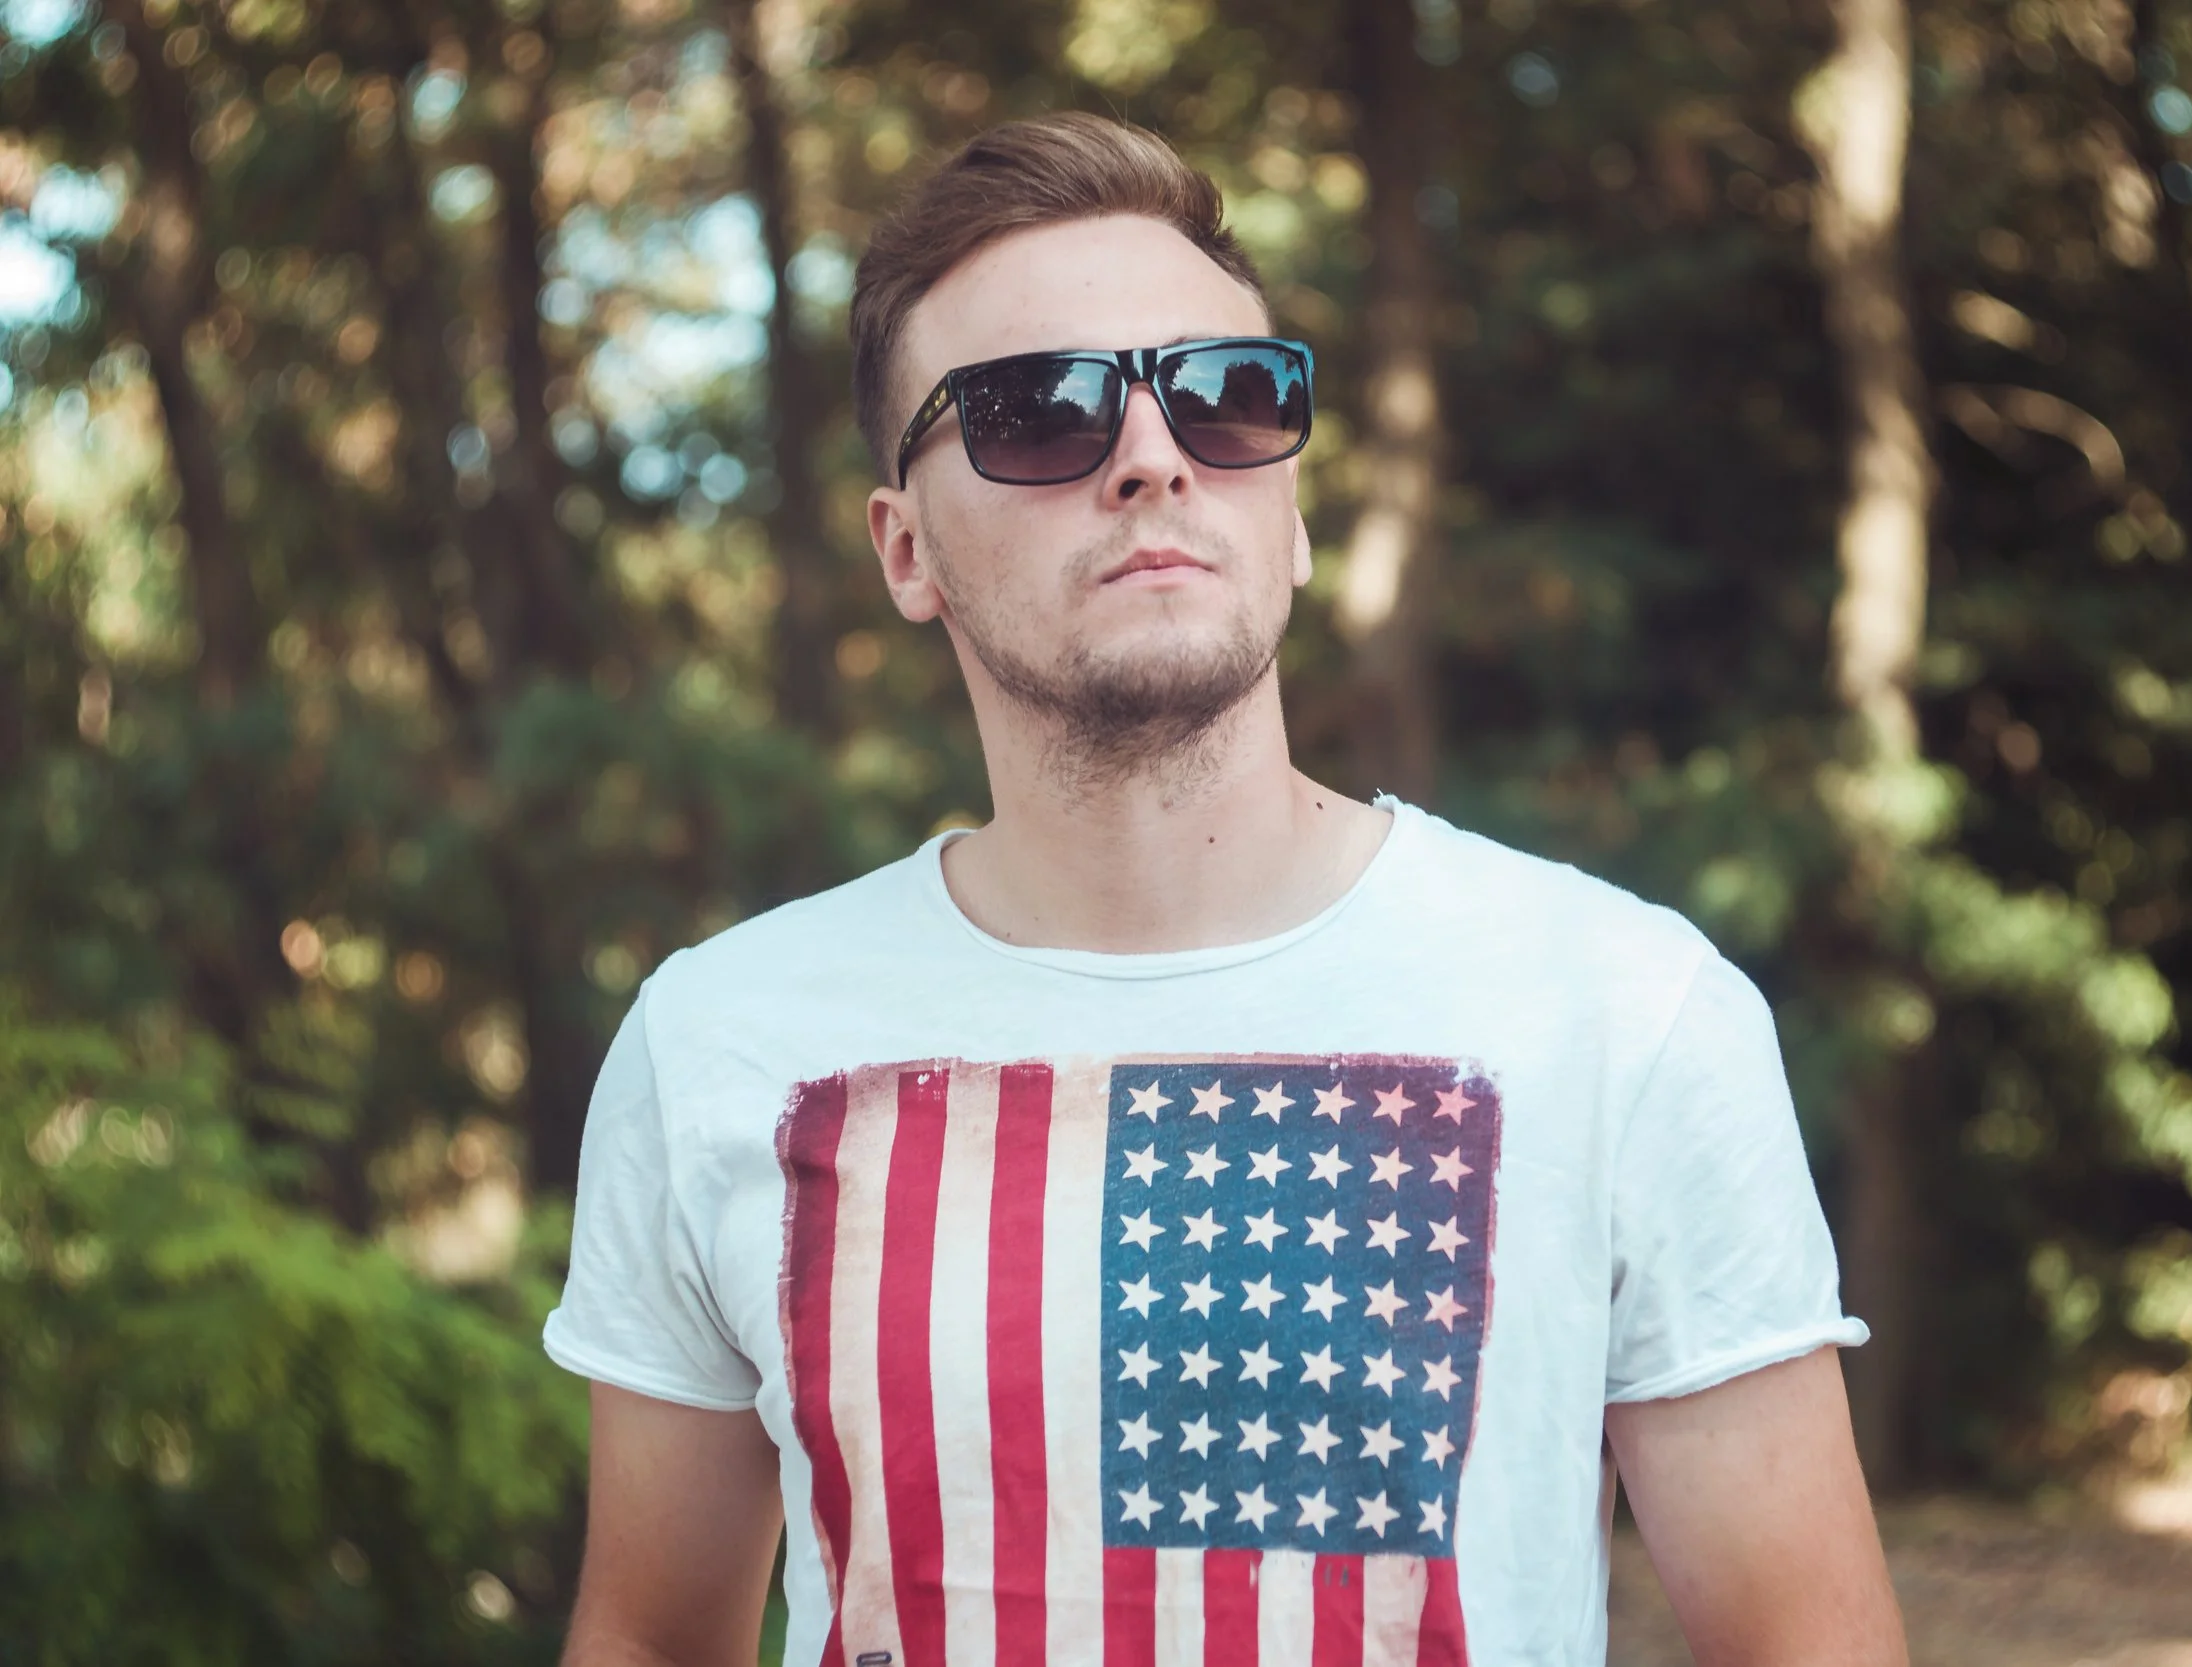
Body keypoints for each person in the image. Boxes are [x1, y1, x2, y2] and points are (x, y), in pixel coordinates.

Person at [544, 112, 1906, 1667]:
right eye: (1039, 412)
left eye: (1227, 396)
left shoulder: (1625, 1010)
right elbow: (650, 1638)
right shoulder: (717, 1040)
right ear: (903, 548)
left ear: (1296, 507)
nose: (1150, 455)